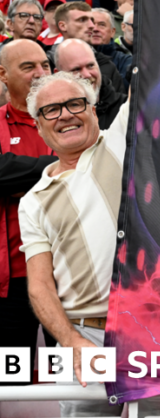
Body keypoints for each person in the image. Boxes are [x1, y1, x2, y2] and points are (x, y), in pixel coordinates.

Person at [19, 70, 160, 417]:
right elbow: (39, 286)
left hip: (154, 328)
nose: (65, 114)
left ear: (94, 110)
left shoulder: (121, 142)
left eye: (75, 103)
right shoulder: (32, 201)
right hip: (85, 336)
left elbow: (148, 67)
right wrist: (71, 342)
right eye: (51, 110)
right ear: (38, 125)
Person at [0, 39, 55, 383]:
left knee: (70, 380)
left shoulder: (72, 118)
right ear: (2, 74)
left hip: (66, 282)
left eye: (45, 65)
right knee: (10, 382)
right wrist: (56, 166)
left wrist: (20, 176)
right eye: (28, 67)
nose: (40, 73)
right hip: (10, 288)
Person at [53, 38, 126, 129]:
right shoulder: (52, 116)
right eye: (76, 69)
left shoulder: (126, 109)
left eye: (91, 66)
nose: (87, 75)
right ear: (58, 74)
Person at [54, 1, 126, 94]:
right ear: (63, 26)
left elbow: (118, 103)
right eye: (82, 20)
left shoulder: (108, 66)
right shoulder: (46, 61)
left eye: (91, 20)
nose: (92, 26)